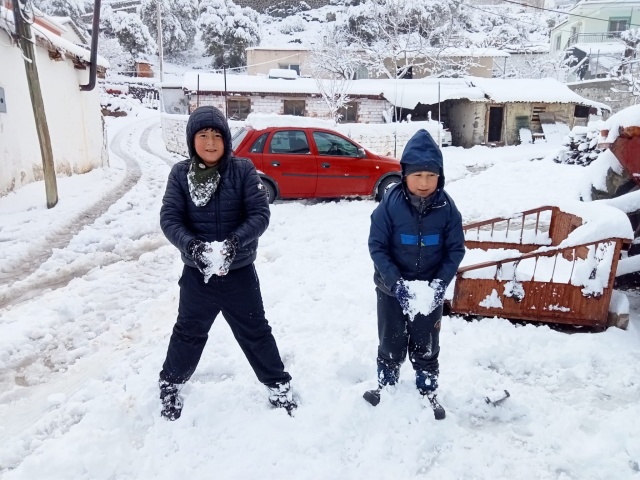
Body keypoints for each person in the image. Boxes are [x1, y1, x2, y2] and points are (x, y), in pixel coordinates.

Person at [158, 105, 295, 420]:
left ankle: (279, 386)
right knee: (188, 333)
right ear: (193, 139)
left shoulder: (242, 170)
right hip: (197, 276)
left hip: (239, 273)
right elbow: (169, 218)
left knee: (256, 332)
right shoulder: (180, 174)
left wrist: (234, 242)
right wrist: (193, 246)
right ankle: (170, 385)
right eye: (203, 135)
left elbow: (260, 214)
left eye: (217, 135)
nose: (210, 142)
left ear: (226, 140)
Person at [367, 129, 465, 419]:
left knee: (426, 344)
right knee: (391, 340)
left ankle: (427, 389)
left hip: (428, 292)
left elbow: (455, 250)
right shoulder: (389, 206)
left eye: (431, 176)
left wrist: (438, 285)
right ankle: (386, 385)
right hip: (392, 290)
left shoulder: (448, 209)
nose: (424, 183)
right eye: (417, 175)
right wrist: (396, 284)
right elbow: (377, 247)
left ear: (440, 177)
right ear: (405, 174)